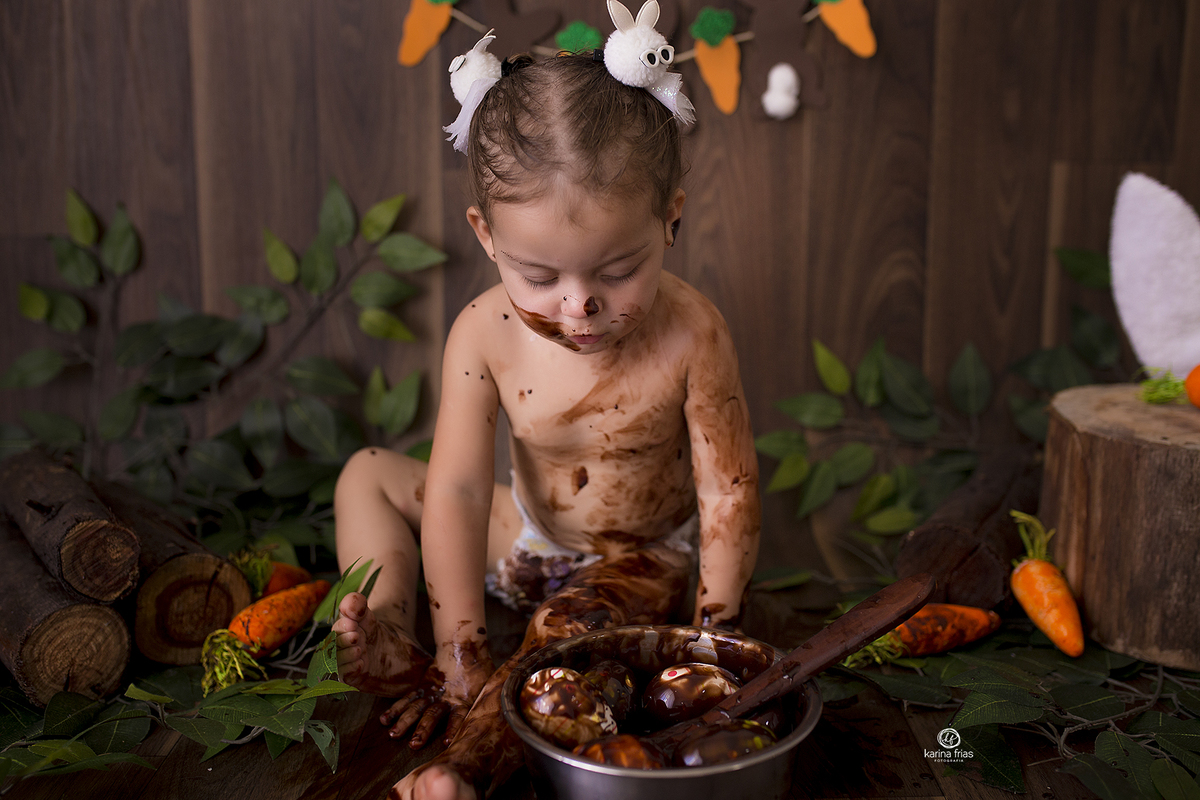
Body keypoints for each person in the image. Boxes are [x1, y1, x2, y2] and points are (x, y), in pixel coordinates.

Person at [332, 5, 760, 798]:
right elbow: (460, 491)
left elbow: (727, 492)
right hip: (528, 536)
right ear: (487, 236)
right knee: (368, 473)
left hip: (640, 560)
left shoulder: (693, 332)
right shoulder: (482, 332)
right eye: (538, 276)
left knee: (558, 631)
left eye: (617, 271)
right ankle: (391, 622)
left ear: (671, 217)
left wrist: (716, 635)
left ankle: (466, 767)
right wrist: (460, 651)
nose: (579, 304)